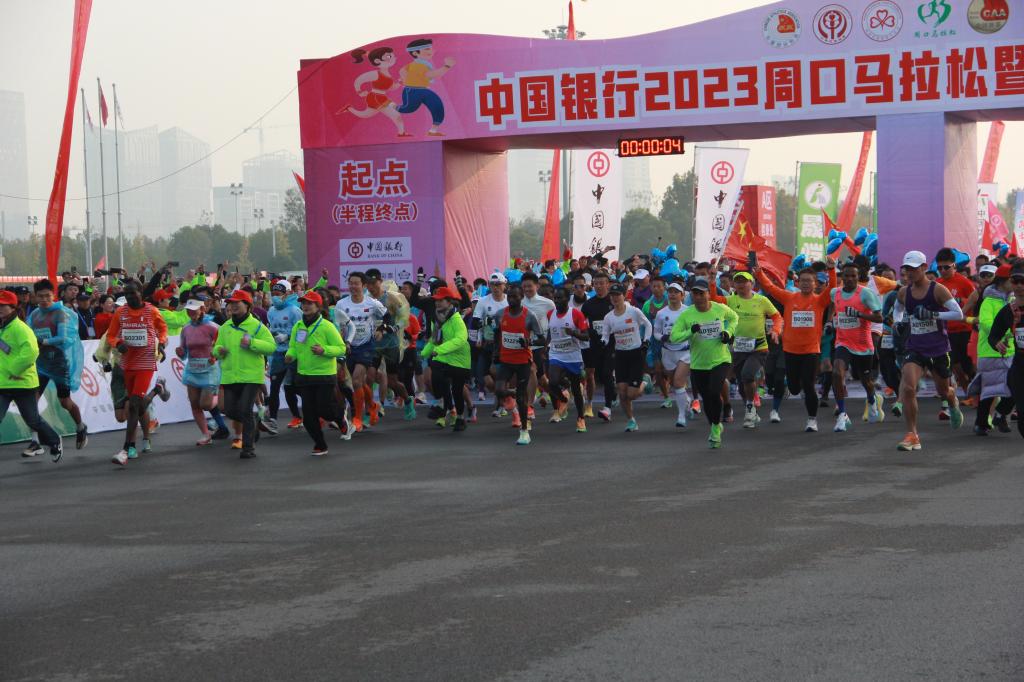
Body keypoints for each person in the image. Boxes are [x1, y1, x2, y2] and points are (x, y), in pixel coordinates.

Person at [894, 250, 965, 451]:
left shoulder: (938, 290)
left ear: (924, 268)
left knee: (943, 390)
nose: (910, 272)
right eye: (907, 269)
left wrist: (933, 314)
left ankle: (952, 400)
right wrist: (898, 323)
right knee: (908, 388)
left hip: (938, 348)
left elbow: (958, 314)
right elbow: (897, 310)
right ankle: (912, 435)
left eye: (914, 269)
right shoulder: (903, 292)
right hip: (915, 347)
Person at [755, 260, 837, 432]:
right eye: (803, 280)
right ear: (797, 283)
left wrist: (831, 269)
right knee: (793, 388)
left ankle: (812, 420)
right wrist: (759, 272)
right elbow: (770, 287)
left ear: (815, 284)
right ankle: (792, 385)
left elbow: (832, 289)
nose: (806, 283)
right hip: (790, 350)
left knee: (808, 385)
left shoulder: (819, 300)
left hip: (811, 350)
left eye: (809, 281)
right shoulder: (789, 297)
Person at [104, 281, 170, 464]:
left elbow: (163, 329)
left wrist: (161, 343)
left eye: (133, 293)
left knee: (133, 404)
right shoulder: (120, 312)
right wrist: (118, 343)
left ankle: (126, 449)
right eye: (127, 294)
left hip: (146, 362)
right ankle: (157, 390)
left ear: (141, 293)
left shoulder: (151, 311)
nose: (130, 297)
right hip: (127, 363)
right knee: (137, 406)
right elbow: (111, 335)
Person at [669, 278, 738, 449]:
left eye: (701, 293)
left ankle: (715, 430)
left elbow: (734, 318)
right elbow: (674, 337)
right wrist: (690, 332)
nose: (698, 297)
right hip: (699, 363)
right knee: (707, 399)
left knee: (714, 392)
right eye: (695, 294)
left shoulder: (719, 308)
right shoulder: (687, 314)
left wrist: (727, 332)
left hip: (720, 359)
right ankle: (715, 425)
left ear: (708, 294)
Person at [25, 278, 89, 454]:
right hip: (40, 364)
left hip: (59, 364)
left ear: (53, 295)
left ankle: (80, 426)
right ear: (35, 296)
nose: (44, 299)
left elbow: (64, 338)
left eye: (47, 296)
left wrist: (43, 342)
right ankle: (35, 442)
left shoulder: (60, 313)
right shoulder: (34, 315)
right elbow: (28, 336)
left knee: (65, 402)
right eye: (40, 296)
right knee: (31, 403)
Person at [212, 289, 276, 459]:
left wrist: (252, 343)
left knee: (244, 409)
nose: (232, 306)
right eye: (231, 303)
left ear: (247, 305)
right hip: (230, 376)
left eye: (237, 303)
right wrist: (219, 350)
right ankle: (253, 423)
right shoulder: (225, 327)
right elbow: (215, 348)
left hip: (251, 376)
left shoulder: (257, 326)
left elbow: (271, 347)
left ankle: (248, 448)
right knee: (228, 410)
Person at [0, 290, 63, 462]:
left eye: (3, 306)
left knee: (33, 420)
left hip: (22, 383)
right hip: (3, 384)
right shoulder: (2, 327)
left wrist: (13, 371)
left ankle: (54, 441)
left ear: (13, 308)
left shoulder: (20, 328)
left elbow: (31, 352)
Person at [285, 291, 349, 455]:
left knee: (324, 410)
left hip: (324, 375)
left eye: (309, 303)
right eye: (303, 303)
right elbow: (293, 347)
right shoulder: (298, 326)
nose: (305, 306)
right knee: (308, 416)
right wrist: (290, 355)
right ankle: (320, 445)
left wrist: (324, 350)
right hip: (304, 375)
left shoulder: (327, 326)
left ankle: (340, 418)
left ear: (318, 306)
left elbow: (341, 348)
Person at [830, 262, 884, 432]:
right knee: (837, 373)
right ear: (842, 277)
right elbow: (832, 306)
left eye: (853, 276)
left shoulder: (865, 293)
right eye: (846, 276)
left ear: (858, 276)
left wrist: (859, 314)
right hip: (843, 342)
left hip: (863, 345)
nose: (849, 279)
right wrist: (829, 321)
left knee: (865, 381)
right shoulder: (835, 293)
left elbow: (879, 318)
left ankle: (872, 400)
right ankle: (842, 415)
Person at [724, 271, 782, 429]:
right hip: (738, 348)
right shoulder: (730, 300)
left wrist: (776, 330)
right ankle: (751, 408)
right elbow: (713, 299)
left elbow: (777, 317)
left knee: (748, 375)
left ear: (752, 284)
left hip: (758, 348)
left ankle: (749, 409)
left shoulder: (762, 300)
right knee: (743, 382)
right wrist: (710, 280)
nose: (741, 284)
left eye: (744, 281)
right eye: (738, 282)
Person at [335, 272, 389, 432]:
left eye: (356, 283)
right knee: (359, 383)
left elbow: (387, 317)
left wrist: (381, 329)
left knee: (357, 381)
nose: (353, 286)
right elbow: (338, 325)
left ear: (364, 286)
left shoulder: (372, 303)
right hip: (349, 346)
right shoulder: (341, 304)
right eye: (350, 283)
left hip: (366, 346)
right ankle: (372, 405)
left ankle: (357, 418)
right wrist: (342, 341)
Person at [493, 283, 543, 445]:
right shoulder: (500, 314)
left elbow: (542, 339)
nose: (511, 299)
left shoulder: (530, 316)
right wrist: (496, 353)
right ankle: (515, 392)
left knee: (521, 400)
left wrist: (530, 342)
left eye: (515, 296)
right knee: (499, 390)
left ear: (522, 297)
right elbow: (497, 334)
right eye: (509, 296)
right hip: (506, 360)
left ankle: (524, 431)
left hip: (523, 361)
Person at [601, 283, 653, 432]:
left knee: (632, 394)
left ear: (624, 296)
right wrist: (603, 341)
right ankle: (631, 421)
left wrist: (646, 341)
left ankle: (645, 381)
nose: (615, 298)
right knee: (622, 392)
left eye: (618, 295)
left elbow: (648, 325)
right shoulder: (608, 317)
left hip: (635, 353)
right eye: (612, 295)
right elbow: (605, 335)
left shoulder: (633, 311)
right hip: (620, 355)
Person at [365, 268, 415, 420]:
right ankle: (369, 410)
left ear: (380, 282)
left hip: (390, 345)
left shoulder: (392, 298)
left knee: (393, 382)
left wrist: (394, 328)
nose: (371, 287)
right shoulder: (365, 299)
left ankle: (408, 400)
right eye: (368, 284)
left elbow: (404, 318)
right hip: (373, 345)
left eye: (373, 283)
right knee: (369, 377)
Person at [971, 264, 1014, 435]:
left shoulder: (1012, 301)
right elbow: (985, 322)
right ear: (1003, 282)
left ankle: (1000, 415)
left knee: (1014, 388)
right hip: (989, 351)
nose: (1016, 284)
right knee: (989, 391)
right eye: (1013, 280)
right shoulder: (988, 301)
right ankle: (981, 423)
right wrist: (1006, 332)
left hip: (1010, 351)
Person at [422, 286, 472, 432]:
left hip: (460, 359)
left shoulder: (456, 319)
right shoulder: (436, 319)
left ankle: (460, 417)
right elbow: (434, 340)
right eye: (436, 300)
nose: (437, 303)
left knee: (457, 390)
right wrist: (424, 353)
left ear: (449, 302)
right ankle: (440, 403)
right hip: (444, 357)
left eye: (441, 300)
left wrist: (439, 350)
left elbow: (461, 339)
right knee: (436, 373)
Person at [177, 298, 224, 445]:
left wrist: (215, 357)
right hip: (192, 368)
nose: (190, 313)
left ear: (202, 309)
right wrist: (180, 352)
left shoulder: (213, 327)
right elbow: (184, 352)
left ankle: (221, 398)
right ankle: (205, 434)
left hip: (210, 369)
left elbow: (222, 347)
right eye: (188, 310)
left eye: (193, 310)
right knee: (194, 404)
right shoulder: (186, 328)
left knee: (206, 404)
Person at [986, 266, 1024, 440]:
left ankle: (1001, 413)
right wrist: (997, 344)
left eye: (1023, 281)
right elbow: (993, 336)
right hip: (1020, 365)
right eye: (1015, 281)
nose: (1019, 286)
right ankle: (1001, 414)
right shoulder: (1009, 311)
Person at [545, 286, 589, 432]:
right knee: (552, 382)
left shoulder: (575, 314)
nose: (557, 301)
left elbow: (586, 336)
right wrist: (545, 345)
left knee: (576, 389)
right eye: (555, 298)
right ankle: (563, 399)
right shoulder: (550, 314)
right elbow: (550, 333)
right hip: (556, 354)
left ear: (567, 299)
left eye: (560, 298)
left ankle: (580, 418)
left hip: (572, 355)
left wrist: (574, 333)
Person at [655, 281, 693, 427]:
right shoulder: (661, 313)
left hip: (684, 352)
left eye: (676, 292)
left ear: (682, 295)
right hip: (668, 352)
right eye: (670, 292)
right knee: (675, 384)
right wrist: (662, 337)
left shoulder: (688, 311)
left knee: (678, 382)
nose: (672, 295)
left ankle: (681, 416)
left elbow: (692, 331)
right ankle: (686, 401)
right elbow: (656, 332)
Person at [267, 281, 304, 430]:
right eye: (273, 294)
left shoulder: (295, 311)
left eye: (278, 294)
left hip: (293, 352)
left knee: (294, 387)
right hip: (277, 353)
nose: (275, 297)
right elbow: (271, 328)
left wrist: (287, 337)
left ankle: (315, 409)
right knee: (275, 387)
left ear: (286, 294)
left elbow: (302, 332)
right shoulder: (271, 311)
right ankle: (273, 420)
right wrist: (272, 335)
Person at [581, 271, 615, 421]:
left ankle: (607, 407)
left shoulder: (614, 301)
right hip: (595, 344)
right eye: (596, 284)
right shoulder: (588, 304)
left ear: (608, 285)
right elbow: (582, 323)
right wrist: (589, 331)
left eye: (602, 283)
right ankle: (612, 393)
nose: (599, 286)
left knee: (607, 373)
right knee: (600, 374)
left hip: (612, 343)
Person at [471, 272, 508, 402]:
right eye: (492, 285)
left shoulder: (510, 300)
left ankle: (502, 402)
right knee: (484, 377)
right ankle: (501, 398)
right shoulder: (483, 301)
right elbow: (475, 322)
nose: (495, 287)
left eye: (498, 284)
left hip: (505, 344)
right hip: (488, 343)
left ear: (504, 285)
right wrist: (488, 321)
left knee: (501, 376)